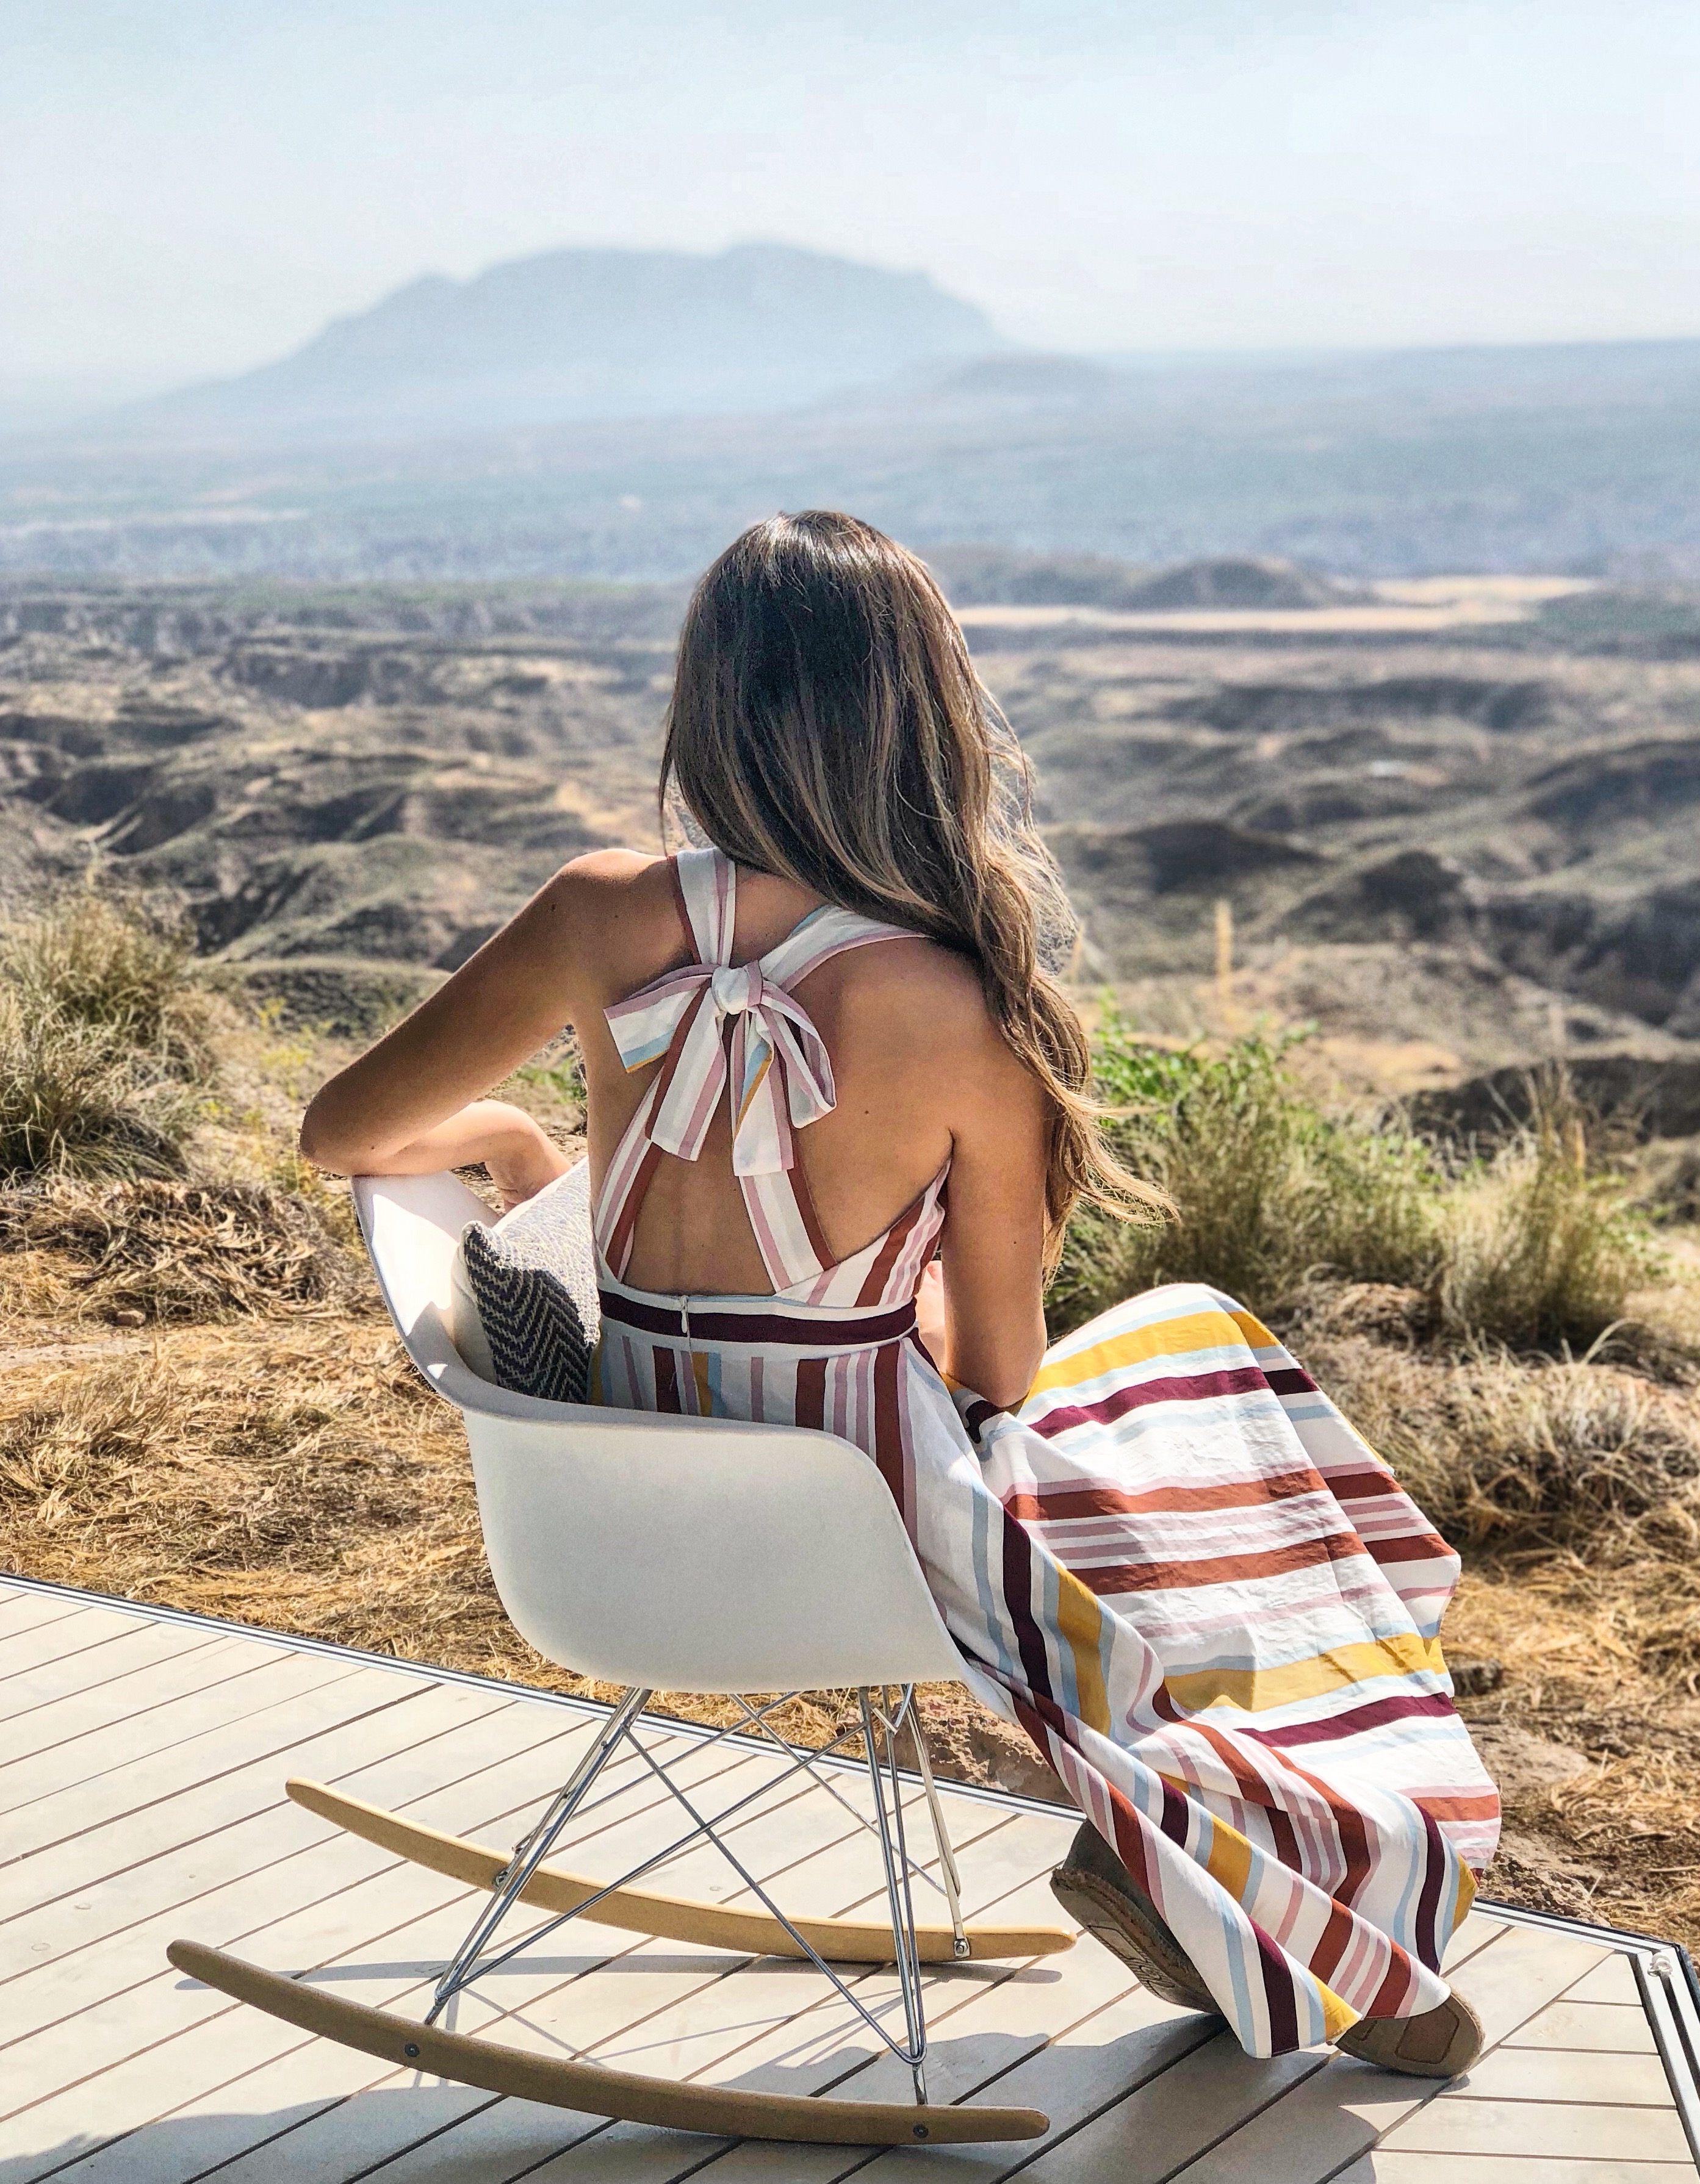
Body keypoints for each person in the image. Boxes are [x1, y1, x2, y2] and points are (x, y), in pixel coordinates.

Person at [302, 509, 1500, 2075]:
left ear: (708, 704)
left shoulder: (597, 914)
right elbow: (998, 1366)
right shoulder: (965, 1009)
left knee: (1163, 1424)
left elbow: (340, 1132)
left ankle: (1220, 1859)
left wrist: (518, 1143)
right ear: (922, 720)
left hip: (614, 1498)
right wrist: (880, 1303)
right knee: (1209, 1377)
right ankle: (1282, 1892)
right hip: (860, 1522)